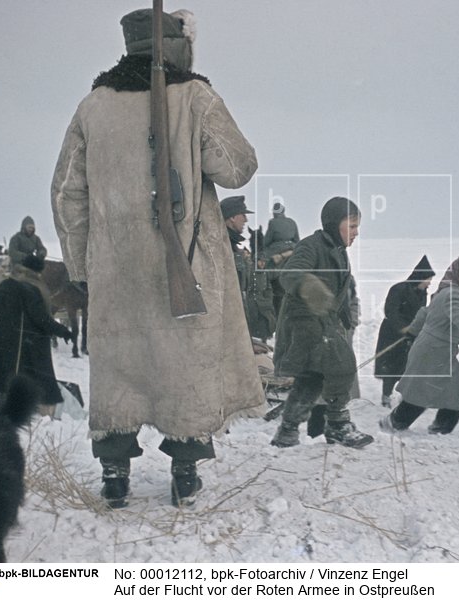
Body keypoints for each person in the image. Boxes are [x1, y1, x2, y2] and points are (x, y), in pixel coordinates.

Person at [51, 7, 263, 508]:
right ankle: (185, 471)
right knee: (185, 368)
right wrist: (197, 105)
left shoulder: (92, 106)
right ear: (178, 45)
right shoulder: (195, 96)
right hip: (187, 267)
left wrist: (84, 268)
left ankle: (114, 474)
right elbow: (237, 168)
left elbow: (65, 194)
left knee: (119, 373)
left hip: (116, 273)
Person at [270, 197, 373, 449]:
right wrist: (309, 285)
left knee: (311, 379)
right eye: (351, 226)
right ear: (333, 224)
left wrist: (346, 318)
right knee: (342, 365)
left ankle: (287, 430)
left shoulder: (338, 251)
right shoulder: (311, 246)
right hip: (305, 324)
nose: (356, 232)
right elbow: (289, 274)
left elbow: (339, 292)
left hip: (321, 323)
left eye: (357, 226)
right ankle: (337, 425)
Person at [380, 255, 459, 435]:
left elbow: (424, 312)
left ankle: (435, 426)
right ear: (456, 274)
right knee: (428, 391)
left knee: (446, 389)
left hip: (433, 348)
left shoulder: (444, 290)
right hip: (436, 350)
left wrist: (412, 332)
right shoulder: (454, 294)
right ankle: (398, 422)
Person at [0, 255, 74, 411]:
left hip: (3, 340)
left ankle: (5, 410)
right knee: (33, 379)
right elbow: (41, 318)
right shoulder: (32, 288)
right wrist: (63, 331)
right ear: (37, 271)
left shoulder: (5, 284)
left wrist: (8, 319)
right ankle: (35, 414)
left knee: (7, 378)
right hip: (26, 343)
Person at [374, 256, 435, 407]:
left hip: (410, 336)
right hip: (392, 334)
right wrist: (403, 328)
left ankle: (406, 397)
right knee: (391, 368)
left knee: (408, 366)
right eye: (428, 279)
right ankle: (386, 396)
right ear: (420, 277)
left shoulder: (422, 293)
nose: (429, 283)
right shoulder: (399, 289)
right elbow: (390, 311)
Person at [263, 202, 300, 318]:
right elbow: (297, 240)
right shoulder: (292, 222)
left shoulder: (273, 223)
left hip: (276, 256)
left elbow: (266, 241)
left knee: (268, 283)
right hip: (292, 254)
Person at [221, 195, 254, 295]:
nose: (246, 220)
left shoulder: (231, 245)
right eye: (243, 215)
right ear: (232, 217)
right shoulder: (221, 246)